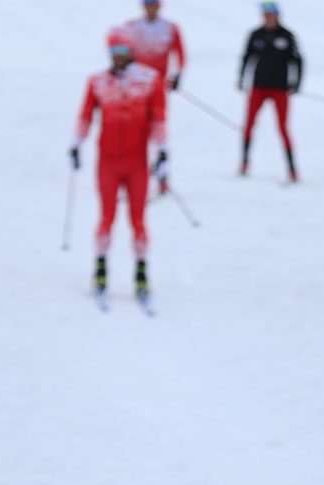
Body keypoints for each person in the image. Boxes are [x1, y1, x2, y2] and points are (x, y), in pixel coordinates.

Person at [71, 26, 167, 302]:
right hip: (108, 161)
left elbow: (159, 118)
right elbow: (85, 116)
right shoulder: (97, 81)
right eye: (114, 51)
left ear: (132, 52)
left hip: (137, 161)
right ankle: (100, 268)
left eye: (124, 51)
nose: (119, 56)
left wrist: (163, 152)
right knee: (107, 216)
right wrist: (76, 144)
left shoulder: (150, 80)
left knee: (138, 219)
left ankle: (141, 272)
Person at [125, 0, 185, 194]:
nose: (150, 8)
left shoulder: (170, 28)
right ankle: (131, 179)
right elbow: (123, 52)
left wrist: (177, 75)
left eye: (154, 5)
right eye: (147, 5)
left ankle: (163, 178)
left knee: (159, 131)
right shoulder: (131, 27)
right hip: (136, 89)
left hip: (158, 89)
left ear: (159, 7)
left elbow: (181, 55)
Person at [238, 1, 302, 180]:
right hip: (258, 87)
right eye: (265, 14)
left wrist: (296, 83)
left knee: (282, 128)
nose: (268, 18)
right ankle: (244, 162)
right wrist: (242, 77)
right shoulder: (255, 35)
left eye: (271, 14)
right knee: (249, 125)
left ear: (277, 15)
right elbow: (246, 57)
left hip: (280, 89)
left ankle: (292, 169)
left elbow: (297, 60)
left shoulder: (287, 36)